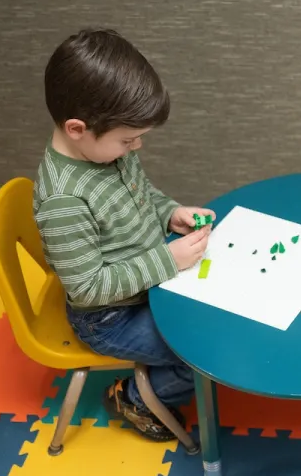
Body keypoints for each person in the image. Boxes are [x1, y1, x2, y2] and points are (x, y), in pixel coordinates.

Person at [34, 29, 215, 442]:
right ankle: (135, 398)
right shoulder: (63, 202)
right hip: (108, 317)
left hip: (145, 283)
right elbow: (86, 288)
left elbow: (142, 194)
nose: (136, 148)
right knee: (202, 354)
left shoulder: (106, 154)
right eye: (127, 139)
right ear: (77, 129)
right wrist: (168, 261)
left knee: (214, 320)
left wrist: (171, 214)